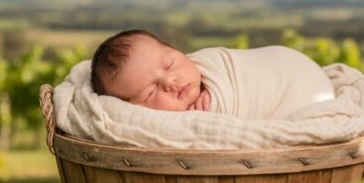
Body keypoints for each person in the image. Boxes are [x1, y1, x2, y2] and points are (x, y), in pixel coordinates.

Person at [91, 29, 335, 118]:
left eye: (169, 64)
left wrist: (217, 104)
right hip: (300, 89)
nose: (170, 81)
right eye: (151, 90)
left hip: (297, 80)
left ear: (180, 51)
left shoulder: (213, 64)